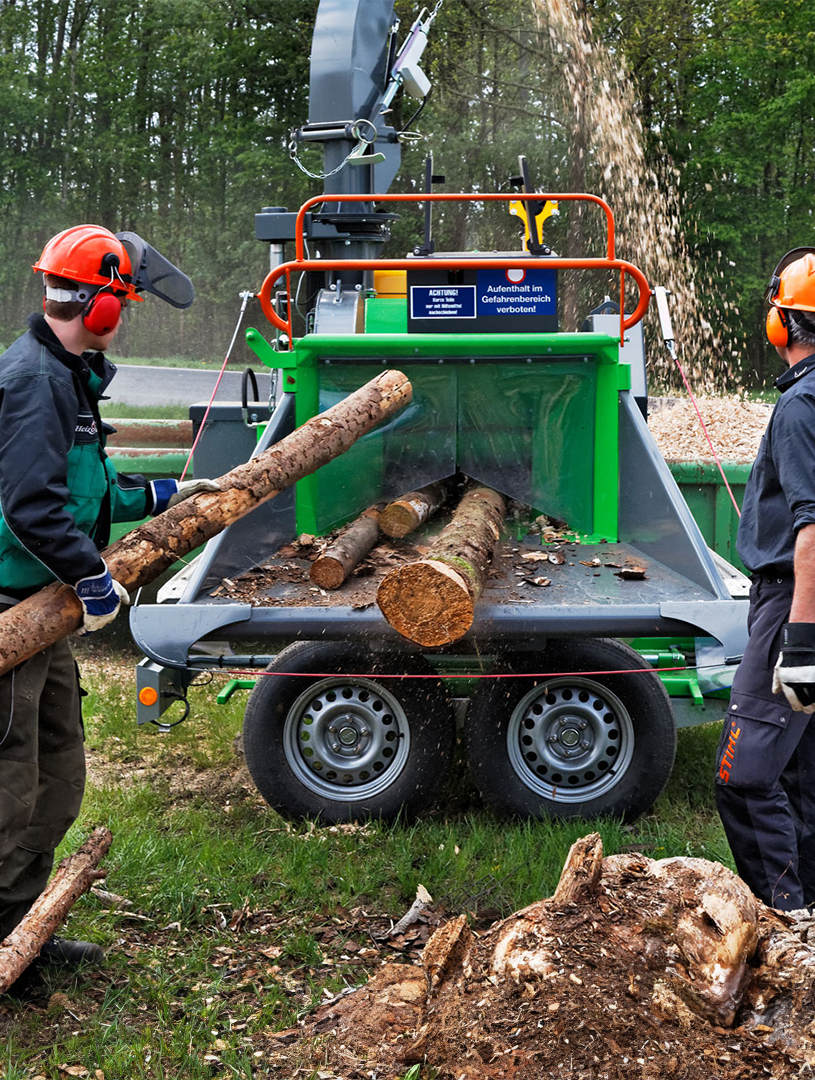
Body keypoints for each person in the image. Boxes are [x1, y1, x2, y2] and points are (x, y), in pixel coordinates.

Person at [0, 224, 217, 971]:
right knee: (9, 788)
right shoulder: (36, 381)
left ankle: (20, 935)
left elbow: (76, 490)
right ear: (99, 304)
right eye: (121, 301)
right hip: (11, 614)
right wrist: (91, 577)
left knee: (57, 779)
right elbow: (30, 507)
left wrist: (162, 494)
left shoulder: (69, 373)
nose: (122, 315)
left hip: (44, 612)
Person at [715, 247, 815, 911]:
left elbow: (813, 530)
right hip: (798, 602)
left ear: (783, 323)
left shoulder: (800, 406)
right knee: (802, 779)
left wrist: (799, 643)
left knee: (744, 779)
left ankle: (784, 924)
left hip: (792, 606)